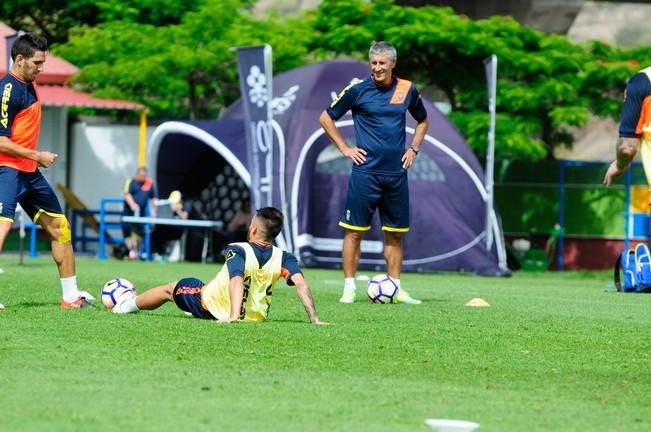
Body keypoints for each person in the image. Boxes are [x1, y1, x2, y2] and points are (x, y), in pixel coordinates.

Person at [319, 41, 430, 304]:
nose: (377, 68)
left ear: (393, 63)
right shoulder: (357, 90)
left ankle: (396, 288)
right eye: (373, 63)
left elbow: (423, 120)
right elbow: (326, 117)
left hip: (396, 175)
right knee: (354, 232)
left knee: (395, 234)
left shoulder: (407, 89)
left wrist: (414, 148)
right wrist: (345, 148)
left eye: (382, 63)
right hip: (365, 174)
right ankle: (348, 288)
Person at [0, 34, 93, 309]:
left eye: (43, 62)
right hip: (7, 170)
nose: (42, 68)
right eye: (37, 62)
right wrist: (37, 155)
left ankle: (71, 297)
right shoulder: (7, 90)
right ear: (19, 59)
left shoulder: (29, 84)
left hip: (28, 172)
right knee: (2, 228)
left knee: (59, 228)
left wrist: (33, 159)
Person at [113, 207, 328, 325]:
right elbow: (301, 284)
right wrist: (314, 319)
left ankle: (126, 305)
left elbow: (236, 279)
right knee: (207, 284)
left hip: (210, 307)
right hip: (255, 319)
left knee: (170, 289)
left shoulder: (238, 248)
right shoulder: (285, 257)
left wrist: (233, 317)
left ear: (253, 229)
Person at [122, 166, 157, 259]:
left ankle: (140, 253)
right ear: (137, 174)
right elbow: (126, 194)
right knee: (128, 233)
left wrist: (154, 211)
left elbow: (153, 198)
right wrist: (133, 205)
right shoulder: (130, 182)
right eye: (142, 175)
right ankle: (129, 252)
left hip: (141, 215)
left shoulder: (149, 183)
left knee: (142, 233)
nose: (144, 177)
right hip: (128, 212)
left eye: (145, 175)